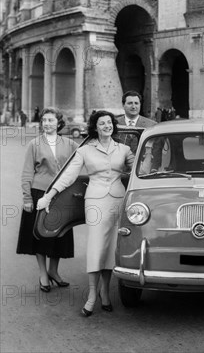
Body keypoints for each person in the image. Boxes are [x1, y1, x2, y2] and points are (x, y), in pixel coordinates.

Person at [37, 110, 135, 316]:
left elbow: (138, 171)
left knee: (111, 248)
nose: (107, 126)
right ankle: (91, 296)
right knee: (96, 246)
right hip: (95, 201)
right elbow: (68, 176)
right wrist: (49, 196)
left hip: (117, 200)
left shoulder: (124, 149)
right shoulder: (85, 151)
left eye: (109, 123)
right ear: (95, 127)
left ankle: (105, 292)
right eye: (102, 123)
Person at [16, 107, 78, 292]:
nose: (47, 124)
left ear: (59, 123)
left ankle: (54, 271)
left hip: (61, 195)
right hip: (39, 194)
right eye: (44, 121)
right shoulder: (34, 144)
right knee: (40, 234)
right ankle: (43, 274)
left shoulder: (69, 144)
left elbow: (81, 162)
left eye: (51, 120)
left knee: (59, 234)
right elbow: (27, 172)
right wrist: (27, 198)